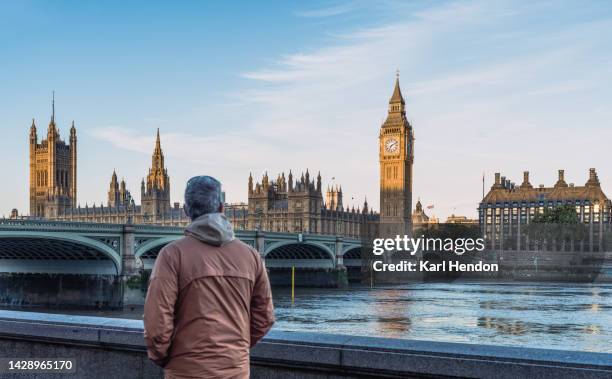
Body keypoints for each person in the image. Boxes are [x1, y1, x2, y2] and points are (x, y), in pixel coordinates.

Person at [144, 175, 275, 379]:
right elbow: (265, 317)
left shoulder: (172, 255)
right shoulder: (251, 256)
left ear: (186, 210)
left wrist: (166, 357)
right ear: (222, 208)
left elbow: (157, 323)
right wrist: (234, 348)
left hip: (186, 371)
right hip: (236, 370)